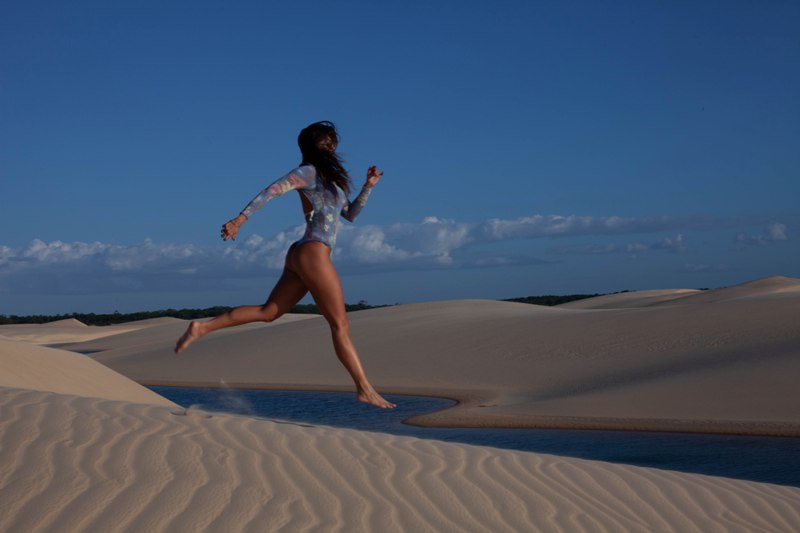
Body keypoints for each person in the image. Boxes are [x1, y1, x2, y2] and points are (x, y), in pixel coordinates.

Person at [174, 121, 396, 409]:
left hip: (303, 254)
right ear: (314, 147)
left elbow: (350, 215)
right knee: (340, 325)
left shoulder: (334, 180)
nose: (331, 146)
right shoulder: (308, 172)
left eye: (332, 141)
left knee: (269, 312)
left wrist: (367, 187)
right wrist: (240, 220)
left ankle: (202, 328)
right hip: (313, 253)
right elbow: (271, 191)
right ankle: (365, 388)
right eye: (326, 142)